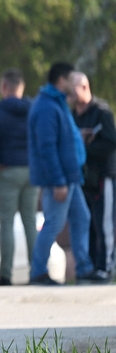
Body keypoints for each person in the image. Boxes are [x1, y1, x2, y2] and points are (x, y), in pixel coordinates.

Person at [27, 62, 109, 285]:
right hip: (60, 178)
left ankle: (83, 267)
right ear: (61, 80)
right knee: (53, 222)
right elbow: (47, 147)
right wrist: (58, 182)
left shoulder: (57, 103)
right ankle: (38, 271)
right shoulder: (46, 106)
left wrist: (77, 136)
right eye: (71, 79)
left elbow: (62, 138)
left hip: (70, 176)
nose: (73, 85)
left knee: (81, 218)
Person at [0, 68, 38, 286]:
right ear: (22, 87)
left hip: (7, 172)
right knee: (30, 222)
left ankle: (6, 274)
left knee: (7, 224)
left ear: (4, 87)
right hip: (31, 171)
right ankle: (37, 270)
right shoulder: (33, 109)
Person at [69, 71, 116, 277]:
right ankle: (89, 267)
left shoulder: (101, 112)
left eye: (72, 91)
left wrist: (84, 147)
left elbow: (110, 142)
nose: (70, 96)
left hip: (102, 176)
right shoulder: (72, 115)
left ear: (85, 87)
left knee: (104, 223)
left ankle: (105, 267)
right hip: (82, 178)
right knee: (85, 222)